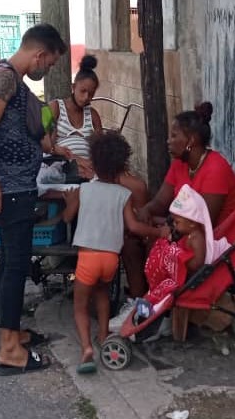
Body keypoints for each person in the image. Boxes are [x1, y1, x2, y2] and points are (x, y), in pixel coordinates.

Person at [0, 23, 67, 376]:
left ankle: (14, 332)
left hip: (19, 187)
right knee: (15, 267)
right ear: (39, 54)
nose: (49, 70)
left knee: (12, 263)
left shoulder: (16, 82)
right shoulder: (2, 78)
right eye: (51, 63)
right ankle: (9, 350)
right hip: (10, 190)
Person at [111, 101, 235, 331]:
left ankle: (156, 313)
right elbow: (161, 201)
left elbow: (202, 224)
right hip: (184, 229)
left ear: (191, 140)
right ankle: (139, 303)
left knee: (156, 242)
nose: (168, 141)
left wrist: (159, 224)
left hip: (209, 239)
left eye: (174, 136)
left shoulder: (215, 169)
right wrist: (146, 212)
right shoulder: (180, 165)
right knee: (131, 239)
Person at [60, 132, 169, 374]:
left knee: (80, 305)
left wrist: (70, 202)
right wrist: (158, 232)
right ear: (121, 167)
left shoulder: (83, 190)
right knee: (102, 293)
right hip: (110, 259)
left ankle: (87, 349)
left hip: (87, 259)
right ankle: (103, 335)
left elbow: (67, 217)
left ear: (93, 163)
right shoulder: (124, 194)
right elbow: (134, 227)